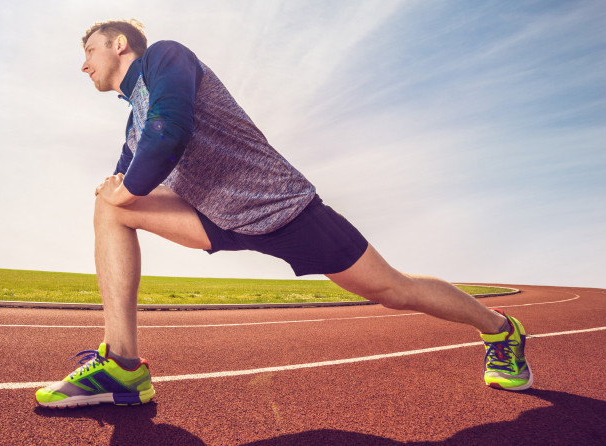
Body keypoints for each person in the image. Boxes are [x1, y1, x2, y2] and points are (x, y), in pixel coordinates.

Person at [34, 19, 531, 408]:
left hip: (282, 209)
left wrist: (125, 189)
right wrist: (116, 190)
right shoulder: (132, 123)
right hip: (215, 218)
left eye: (89, 51)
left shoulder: (166, 57)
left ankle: (500, 329)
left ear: (119, 44)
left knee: (393, 290)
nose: (84, 65)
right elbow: (126, 177)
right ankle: (122, 365)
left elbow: (169, 132)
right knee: (110, 209)